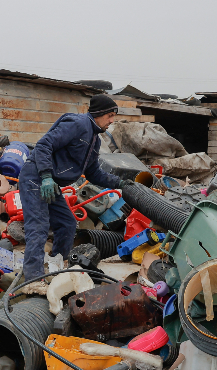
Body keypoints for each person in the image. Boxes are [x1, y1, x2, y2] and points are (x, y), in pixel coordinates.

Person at [17, 94, 132, 283]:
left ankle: (57, 267)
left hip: (50, 183)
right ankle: (33, 280)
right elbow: (44, 145)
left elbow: (93, 173)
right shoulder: (77, 124)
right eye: (109, 116)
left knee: (67, 223)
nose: (112, 121)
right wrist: (45, 176)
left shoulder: (94, 140)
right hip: (36, 177)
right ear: (98, 113)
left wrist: (119, 183)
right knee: (38, 226)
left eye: (113, 116)